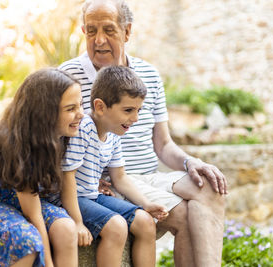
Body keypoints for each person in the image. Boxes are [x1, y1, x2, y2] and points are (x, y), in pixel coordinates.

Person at [59, 0, 228, 266]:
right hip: (111, 182)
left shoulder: (148, 74)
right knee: (183, 215)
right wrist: (90, 181)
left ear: (127, 32)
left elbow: (163, 144)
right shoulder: (68, 76)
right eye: (91, 31)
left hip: (147, 176)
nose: (99, 40)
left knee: (210, 188)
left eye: (109, 30)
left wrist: (190, 162)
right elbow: (57, 145)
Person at [0, 68, 84, 267]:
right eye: (71, 109)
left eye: (80, 105)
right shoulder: (20, 147)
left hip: (25, 201)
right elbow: (32, 214)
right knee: (27, 243)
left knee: (66, 228)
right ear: (45, 113)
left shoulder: (61, 136)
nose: (81, 114)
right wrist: (49, 263)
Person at [49, 65, 168, 266]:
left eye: (138, 110)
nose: (135, 118)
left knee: (146, 222)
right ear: (101, 107)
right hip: (71, 199)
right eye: (128, 110)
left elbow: (119, 177)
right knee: (116, 226)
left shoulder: (113, 133)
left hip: (91, 196)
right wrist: (77, 222)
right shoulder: (83, 128)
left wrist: (146, 204)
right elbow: (67, 176)